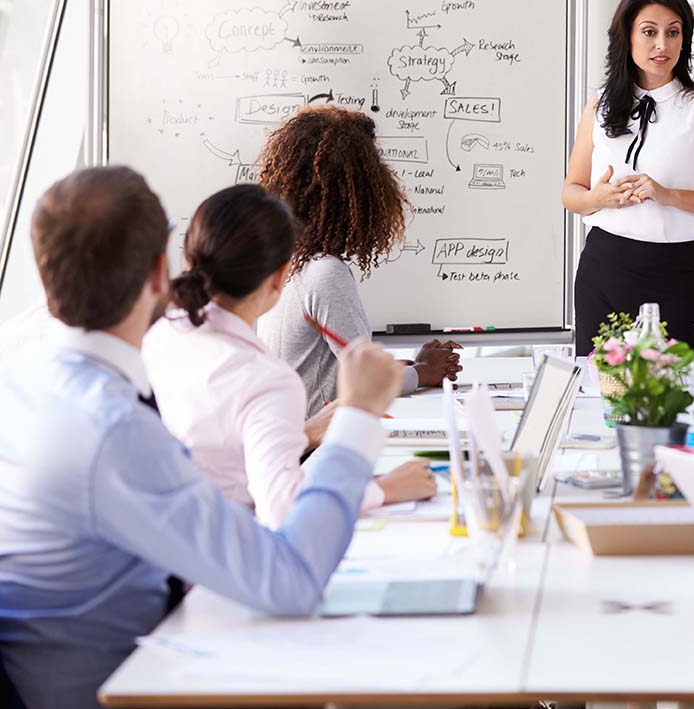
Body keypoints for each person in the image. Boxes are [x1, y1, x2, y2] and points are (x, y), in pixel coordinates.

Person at [0, 167, 403, 709]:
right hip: (124, 684)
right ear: (157, 275)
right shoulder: (113, 430)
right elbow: (292, 580)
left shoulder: (27, 376)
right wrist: (357, 417)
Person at [143, 184, 436, 529]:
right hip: (222, 553)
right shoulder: (265, 378)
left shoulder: (160, 335)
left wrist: (306, 431)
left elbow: (219, 445)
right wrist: (382, 489)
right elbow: (284, 510)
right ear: (281, 276)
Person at [562, 0, 694, 355]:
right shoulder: (598, 106)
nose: (662, 45)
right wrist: (598, 198)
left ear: (685, 40)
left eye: (673, 32)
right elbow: (571, 191)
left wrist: (668, 196)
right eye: (649, 32)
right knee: (598, 391)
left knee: (669, 395)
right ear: (627, 38)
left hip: (675, 273)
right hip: (603, 267)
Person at [256, 105, 461, 416]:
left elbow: (342, 365)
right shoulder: (325, 273)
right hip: (315, 446)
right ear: (359, 191)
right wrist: (423, 372)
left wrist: (415, 365)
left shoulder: (290, 263)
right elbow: (369, 381)